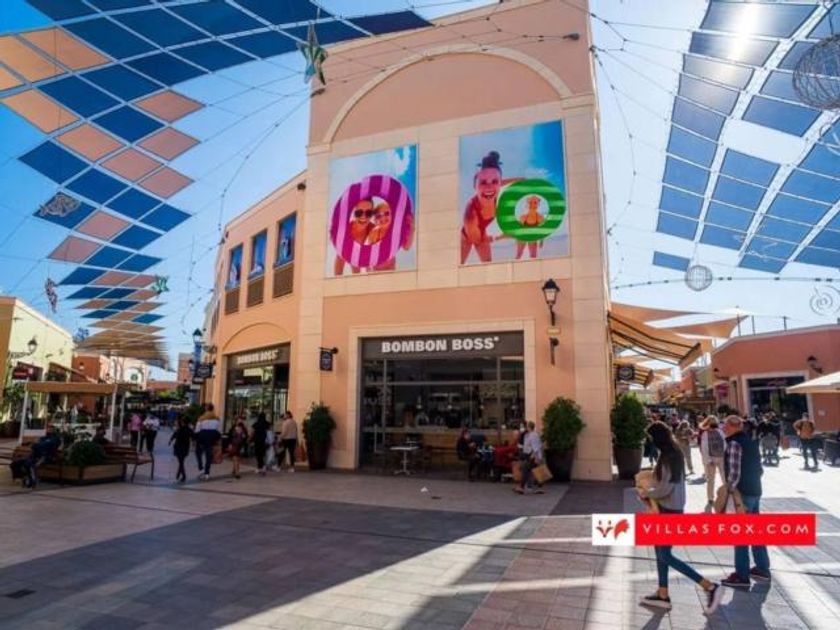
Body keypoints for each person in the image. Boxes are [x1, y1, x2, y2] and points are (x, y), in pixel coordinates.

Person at [637, 422, 723, 614]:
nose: (650, 441)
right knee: (660, 552)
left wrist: (646, 492)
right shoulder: (674, 453)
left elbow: (665, 488)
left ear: (657, 438)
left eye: (651, 438)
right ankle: (662, 594)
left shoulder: (669, 457)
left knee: (664, 555)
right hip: (671, 509)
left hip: (668, 511)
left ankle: (709, 586)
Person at [721, 415, 770, 587]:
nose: (723, 428)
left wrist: (728, 491)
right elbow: (760, 469)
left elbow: (734, 473)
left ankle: (742, 575)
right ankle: (762, 568)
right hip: (755, 489)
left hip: (742, 493)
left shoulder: (734, 443)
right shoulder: (750, 441)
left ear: (733, 427)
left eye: (726, 426)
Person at [334, 198, 376, 275]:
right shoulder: (346, 232)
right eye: (359, 212)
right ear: (354, 212)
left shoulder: (374, 230)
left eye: (368, 213)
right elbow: (340, 262)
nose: (363, 216)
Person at [699, 416, 726, 513]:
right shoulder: (705, 434)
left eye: (714, 423)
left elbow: (725, 443)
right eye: (711, 423)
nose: (713, 425)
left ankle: (727, 495)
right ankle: (710, 498)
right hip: (711, 460)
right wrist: (708, 460)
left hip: (721, 458)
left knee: (724, 478)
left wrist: (725, 456)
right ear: (707, 424)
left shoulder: (720, 432)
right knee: (711, 480)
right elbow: (704, 448)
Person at [514, 421, 544, 495]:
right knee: (535, 471)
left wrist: (535, 458)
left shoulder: (533, 435)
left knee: (525, 469)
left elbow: (535, 448)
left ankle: (522, 487)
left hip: (533, 456)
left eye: (526, 426)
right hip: (533, 456)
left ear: (529, 427)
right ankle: (539, 487)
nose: (525, 428)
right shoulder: (531, 435)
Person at [195, 404, 222, 480]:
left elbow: (197, 430)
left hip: (202, 436)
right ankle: (207, 473)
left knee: (198, 453)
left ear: (206, 409)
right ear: (212, 409)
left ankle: (201, 468)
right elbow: (219, 430)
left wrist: (196, 438)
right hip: (212, 437)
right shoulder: (217, 419)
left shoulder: (201, 418)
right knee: (209, 456)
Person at [515, 195, 545, 260]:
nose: (532, 205)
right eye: (530, 202)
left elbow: (542, 230)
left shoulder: (540, 218)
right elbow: (518, 231)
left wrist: (541, 241)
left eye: (535, 203)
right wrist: (517, 239)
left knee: (533, 256)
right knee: (518, 255)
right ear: (528, 204)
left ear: (538, 205)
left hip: (532, 236)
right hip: (523, 236)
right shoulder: (523, 217)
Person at [169, 418, 192, 483]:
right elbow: (194, 436)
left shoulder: (180, 429)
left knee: (181, 462)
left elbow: (174, 435)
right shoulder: (189, 430)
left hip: (179, 447)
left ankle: (183, 475)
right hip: (185, 447)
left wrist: (170, 440)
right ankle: (179, 474)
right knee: (181, 461)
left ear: (183, 423)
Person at [251, 412, 271, 476]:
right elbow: (270, 432)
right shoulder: (267, 424)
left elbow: (252, 432)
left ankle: (259, 467)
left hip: (257, 441)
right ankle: (263, 467)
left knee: (258, 454)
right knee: (263, 454)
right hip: (264, 441)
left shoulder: (256, 424)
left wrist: (250, 439)